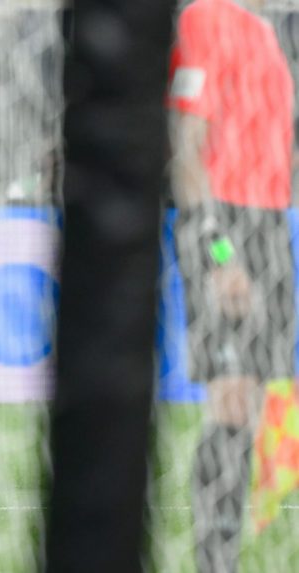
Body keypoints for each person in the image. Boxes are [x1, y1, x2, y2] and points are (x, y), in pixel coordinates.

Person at [167, 1, 295, 571]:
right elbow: (186, 148)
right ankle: (212, 559)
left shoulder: (268, 28)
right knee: (232, 396)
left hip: (270, 224)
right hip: (225, 224)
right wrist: (220, 253)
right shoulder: (206, 17)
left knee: (261, 399)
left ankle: (231, 549)